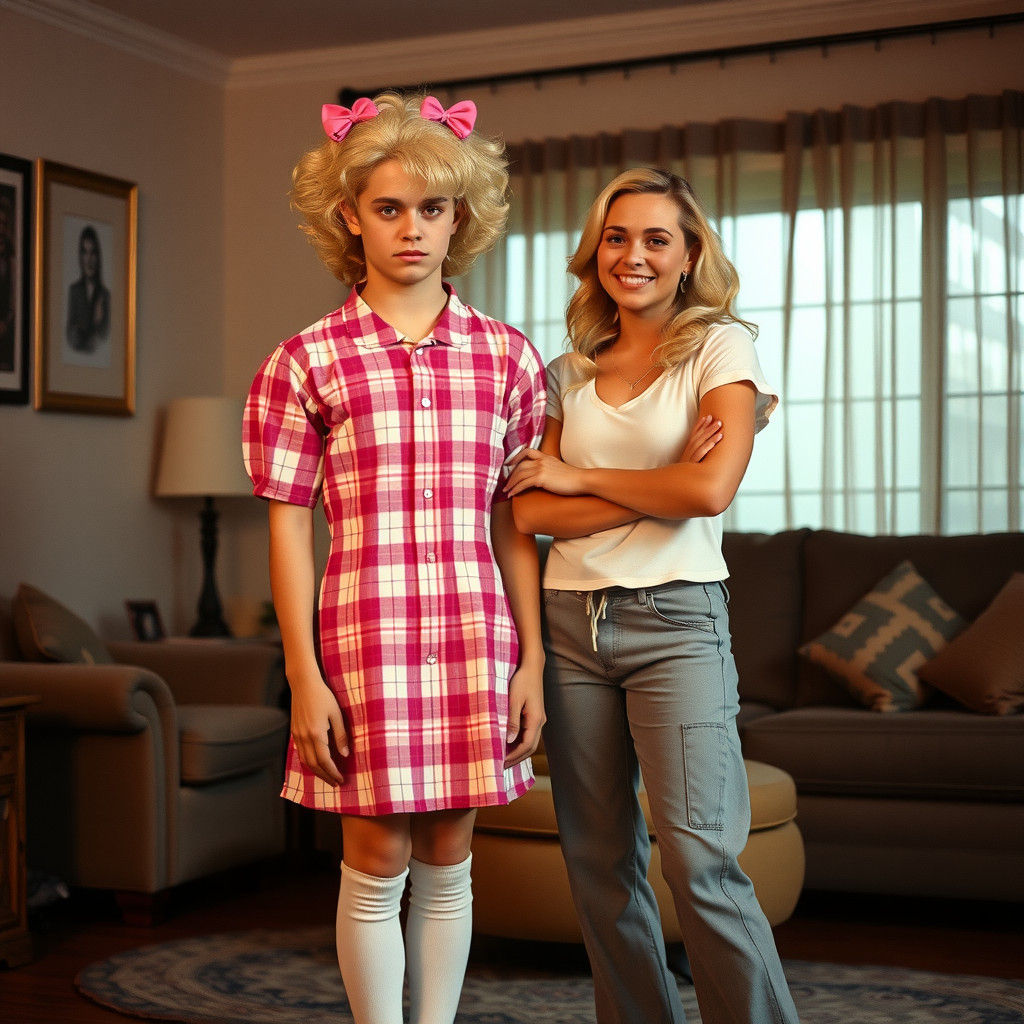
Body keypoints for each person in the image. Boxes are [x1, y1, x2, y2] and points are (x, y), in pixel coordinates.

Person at [242, 92, 547, 1024]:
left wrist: (532, 661)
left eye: (432, 208)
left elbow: (515, 524)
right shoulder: (304, 362)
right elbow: (288, 527)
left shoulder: (508, 359)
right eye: (389, 207)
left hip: (474, 638)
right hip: (362, 643)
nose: (412, 228)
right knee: (375, 860)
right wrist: (303, 676)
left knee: (450, 856)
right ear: (349, 217)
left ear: (460, 217)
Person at [506, 167, 800, 1024]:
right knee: (599, 864)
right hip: (569, 627)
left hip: (676, 620)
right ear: (595, 252)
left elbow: (709, 492)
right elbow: (530, 511)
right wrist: (656, 481)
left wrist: (580, 478)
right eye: (616, 237)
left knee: (702, 859)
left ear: (689, 254)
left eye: (655, 239)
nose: (632, 255)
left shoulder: (721, 349)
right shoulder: (565, 371)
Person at [66, 225, 110, 352]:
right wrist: (94, 323)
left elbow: (103, 340)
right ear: (81, 257)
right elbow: (71, 336)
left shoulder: (105, 295)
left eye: (93, 253)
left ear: (98, 257)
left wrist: (97, 324)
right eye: (85, 252)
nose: (89, 259)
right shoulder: (74, 291)